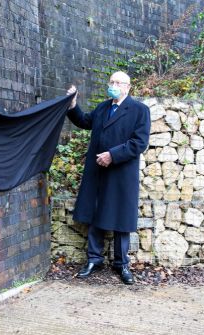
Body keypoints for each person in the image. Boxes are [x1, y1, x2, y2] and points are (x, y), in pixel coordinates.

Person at [65, 71, 150, 285]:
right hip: (98, 170)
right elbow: (85, 122)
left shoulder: (140, 110)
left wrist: (113, 155)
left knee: (121, 218)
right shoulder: (103, 107)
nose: (113, 85)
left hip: (121, 172)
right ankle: (94, 259)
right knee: (96, 212)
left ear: (128, 87)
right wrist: (73, 105)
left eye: (118, 82)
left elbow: (139, 142)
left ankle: (122, 264)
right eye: (111, 81)